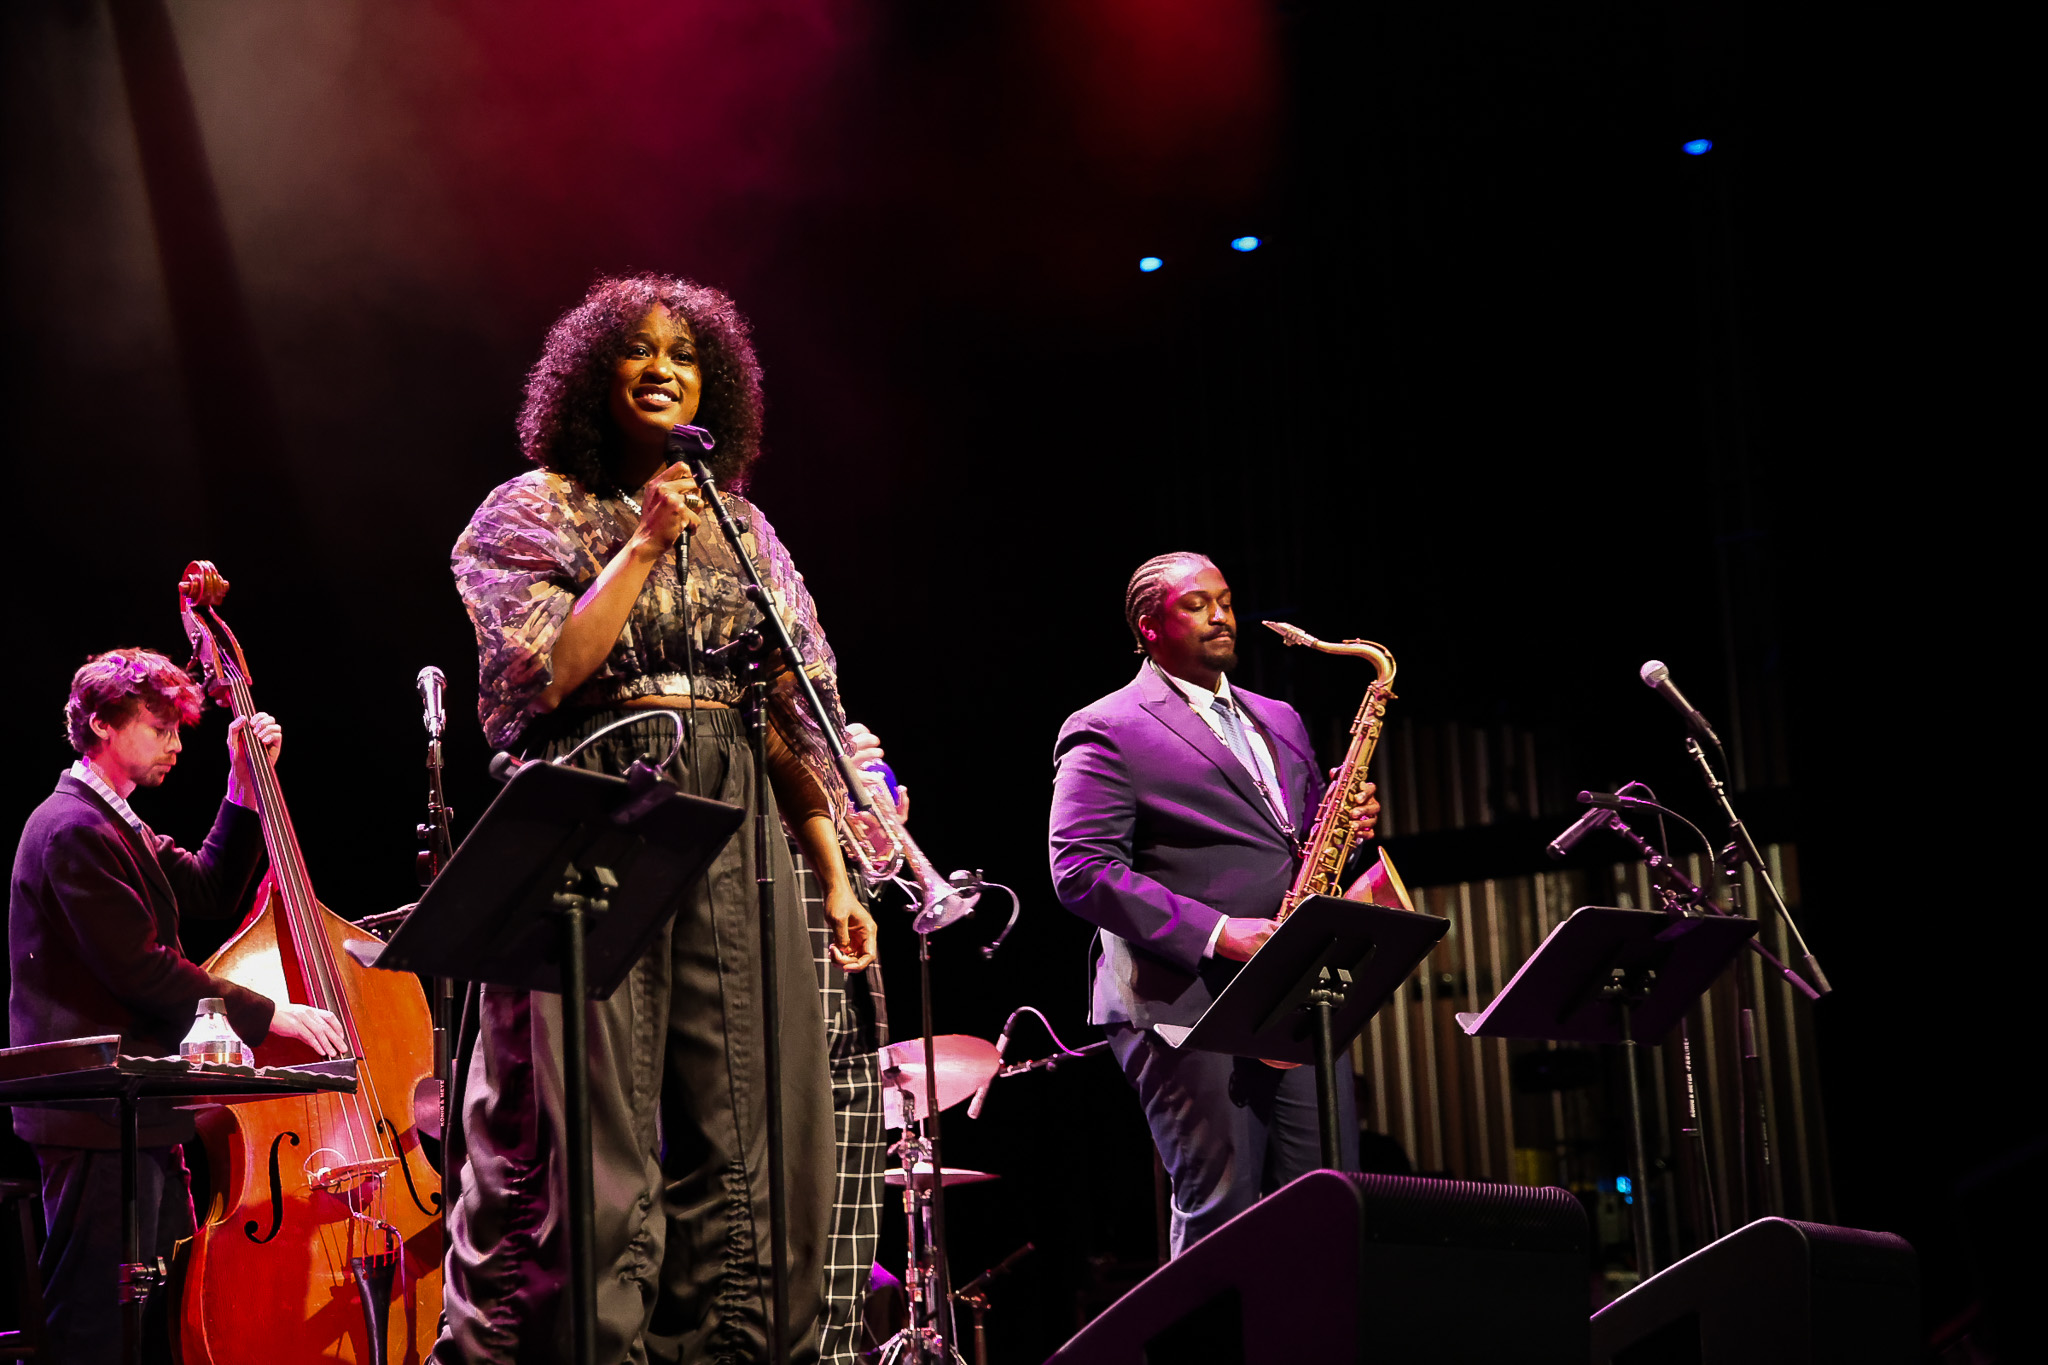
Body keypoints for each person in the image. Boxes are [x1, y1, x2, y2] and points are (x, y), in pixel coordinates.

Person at [441, 273, 877, 1365]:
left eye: (682, 354)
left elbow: (790, 713)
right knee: (595, 1130)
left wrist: (831, 873)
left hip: (738, 815)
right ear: (593, 375)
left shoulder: (746, 529)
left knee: (756, 1121)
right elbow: (540, 676)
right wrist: (640, 546)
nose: (661, 367)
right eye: (637, 350)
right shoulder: (530, 509)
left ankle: (732, 1347)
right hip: (599, 806)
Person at [7, 647, 345, 1361]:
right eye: (160, 725)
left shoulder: (117, 825)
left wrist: (246, 786)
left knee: (160, 1324)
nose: (177, 742)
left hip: (140, 1114)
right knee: (97, 1332)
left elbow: (210, 891)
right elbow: (142, 968)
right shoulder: (71, 828)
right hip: (97, 1120)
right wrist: (270, 1014)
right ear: (101, 722)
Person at [1047, 552, 1380, 1257]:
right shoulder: (1106, 726)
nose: (1221, 614)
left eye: (1224, 599)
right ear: (1150, 626)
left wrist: (1345, 833)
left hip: (1292, 995)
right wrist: (1219, 932)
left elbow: (1295, 852)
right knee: (1223, 1214)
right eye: (1196, 603)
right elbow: (1079, 868)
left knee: (1329, 1205)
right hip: (1185, 1002)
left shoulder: (1279, 717)